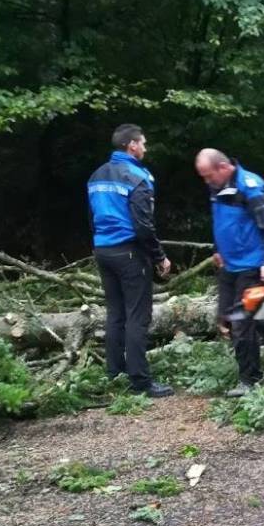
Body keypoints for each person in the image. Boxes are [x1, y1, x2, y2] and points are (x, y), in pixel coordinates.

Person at [87, 124, 173, 397]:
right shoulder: (137, 176)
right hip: (129, 252)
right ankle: (140, 381)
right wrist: (159, 257)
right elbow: (143, 225)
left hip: (103, 250)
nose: (146, 148)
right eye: (143, 143)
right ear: (132, 145)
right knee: (138, 316)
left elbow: (92, 217)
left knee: (115, 314)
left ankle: (114, 373)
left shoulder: (96, 175)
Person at [195, 148, 264, 396]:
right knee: (225, 316)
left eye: (208, 175)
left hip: (252, 265)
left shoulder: (251, 187)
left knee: (240, 322)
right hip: (229, 265)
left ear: (224, 168)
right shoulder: (217, 187)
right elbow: (221, 222)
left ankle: (249, 380)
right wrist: (218, 249)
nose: (207, 181)